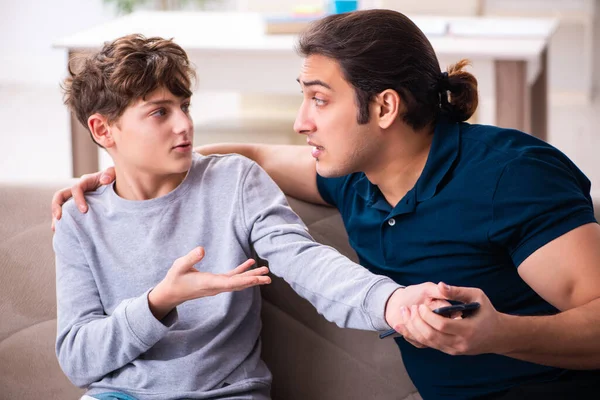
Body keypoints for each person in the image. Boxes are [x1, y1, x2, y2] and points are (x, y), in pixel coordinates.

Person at [52, 10, 600, 400]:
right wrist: (116, 170)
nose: (299, 121)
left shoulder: (511, 174)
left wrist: (496, 331)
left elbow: (312, 266)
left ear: (384, 107)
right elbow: (250, 153)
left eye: (319, 98)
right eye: (303, 97)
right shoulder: (356, 176)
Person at [52, 33, 446, 400]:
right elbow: (78, 359)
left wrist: (392, 301)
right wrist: (159, 302)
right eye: (159, 113)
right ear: (103, 130)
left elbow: (307, 262)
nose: (184, 124)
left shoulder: (234, 182)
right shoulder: (79, 219)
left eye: (184, 106)